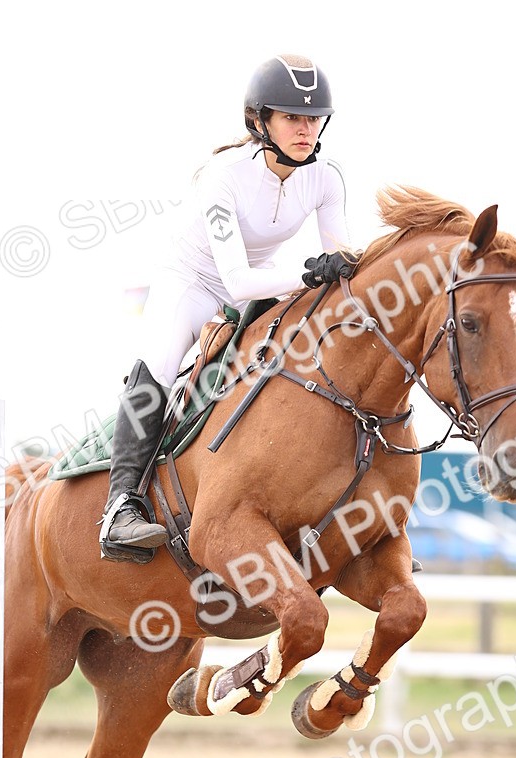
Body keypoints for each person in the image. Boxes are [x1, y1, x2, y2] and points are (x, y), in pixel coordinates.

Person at [99, 53, 359, 560]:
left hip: (267, 280)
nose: (305, 129)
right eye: (291, 118)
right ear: (260, 121)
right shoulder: (224, 174)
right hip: (193, 285)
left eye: (312, 119)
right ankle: (120, 507)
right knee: (162, 364)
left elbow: (341, 260)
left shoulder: (326, 178)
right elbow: (237, 282)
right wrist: (312, 270)